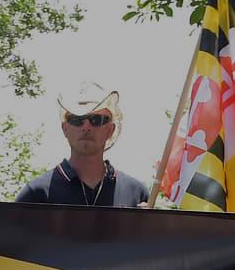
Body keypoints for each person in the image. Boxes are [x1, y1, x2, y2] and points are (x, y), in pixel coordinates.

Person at [15, 82, 149, 207]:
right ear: (65, 129)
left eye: (96, 119)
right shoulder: (35, 194)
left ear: (110, 130)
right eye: (77, 119)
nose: (86, 127)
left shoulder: (137, 193)